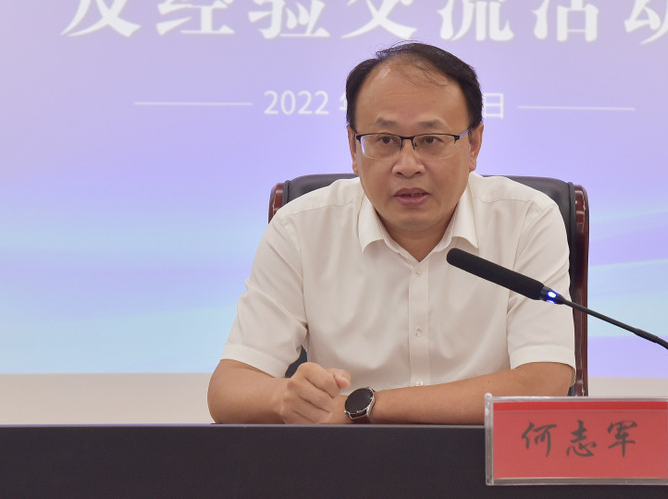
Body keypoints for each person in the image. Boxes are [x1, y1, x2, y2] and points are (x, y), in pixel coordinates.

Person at [207, 42, 574, 424]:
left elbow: (543, 382)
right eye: (384, 141)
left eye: (431, 140)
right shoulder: (300, 228)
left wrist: (361, 407)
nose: (408, 165)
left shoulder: (527, 220)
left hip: (482, 456)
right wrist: (285, 397)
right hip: (349, 459)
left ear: (474, 145)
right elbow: (228, 390)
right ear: (354, 148)